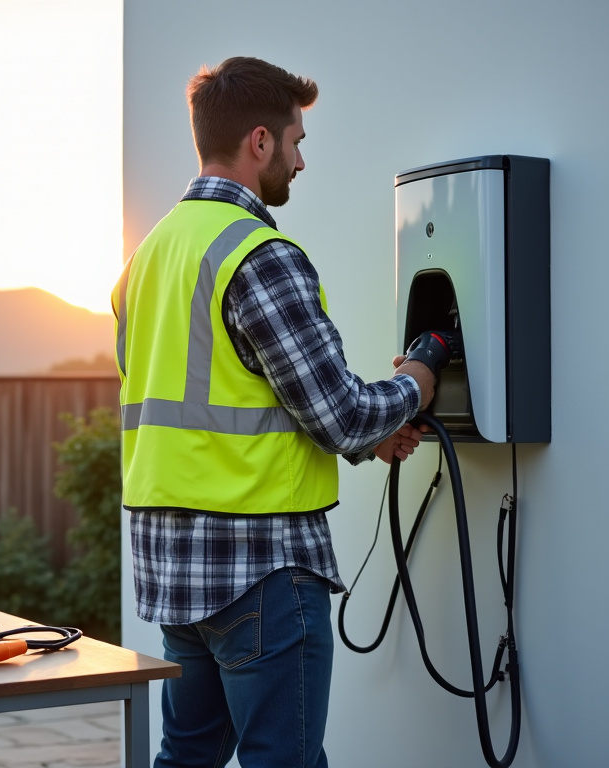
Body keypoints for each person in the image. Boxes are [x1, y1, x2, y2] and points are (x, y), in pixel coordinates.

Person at [111, 56, 438, 768]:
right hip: (260, 568)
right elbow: (341, 413)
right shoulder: (259, 255)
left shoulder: (149, 257)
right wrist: (418, 380)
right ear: (260, 142)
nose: (300, 161)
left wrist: (371, 441)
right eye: (297, 142)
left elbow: (229, 395)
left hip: (176, 570)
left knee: (186, 758)